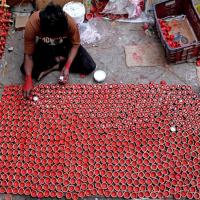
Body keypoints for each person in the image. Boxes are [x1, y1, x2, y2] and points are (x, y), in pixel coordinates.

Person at [21, 2, 96, 98]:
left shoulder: (70, 23)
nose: (55, 39)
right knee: (25, 70)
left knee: (89, 65)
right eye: (54, 36)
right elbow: (28, 55)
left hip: (65, 44)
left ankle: (56, 65)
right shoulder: (32, 24)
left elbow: (75, 45)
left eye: (59, 35)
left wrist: (68, 66)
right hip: (45, 44)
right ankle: (58, 62)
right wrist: (28, 79)